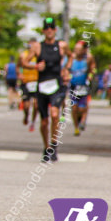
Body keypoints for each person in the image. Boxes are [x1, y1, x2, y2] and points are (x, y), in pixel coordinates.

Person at [36, 17, 68, 162]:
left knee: (55, 115)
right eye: (46, 28)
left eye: (52, 28)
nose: (49, 30)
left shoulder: (62, 45)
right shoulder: (37, 46)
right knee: (44, 122)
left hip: (57, 84)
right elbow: (23, 61)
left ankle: (54, 145)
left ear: (55, 30)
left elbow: (71, 56)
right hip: (42, 85)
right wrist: (34, 66)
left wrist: (66, 69)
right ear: (43, 31)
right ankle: (46, 147)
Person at [67, 40, 96, 136]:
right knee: (74, 108)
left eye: (79, 49)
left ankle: (82, 121)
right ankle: (76, 128)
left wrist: (90, 75)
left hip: (84, 86)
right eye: (75, 49)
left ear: (84, 50)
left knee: (82, 109)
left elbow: (93, 68)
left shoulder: (89, 58)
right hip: (73, 86)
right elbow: (67, 69)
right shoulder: (72, 58)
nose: (77, 51)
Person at [20, 38, 41, 130]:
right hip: (26, 82)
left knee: (36, 105)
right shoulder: (23, 55)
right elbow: (18, 66)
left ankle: (33, 121)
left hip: (36, 81)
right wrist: (19, 74)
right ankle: (26, 116)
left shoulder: (39, 56)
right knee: (26, 106)